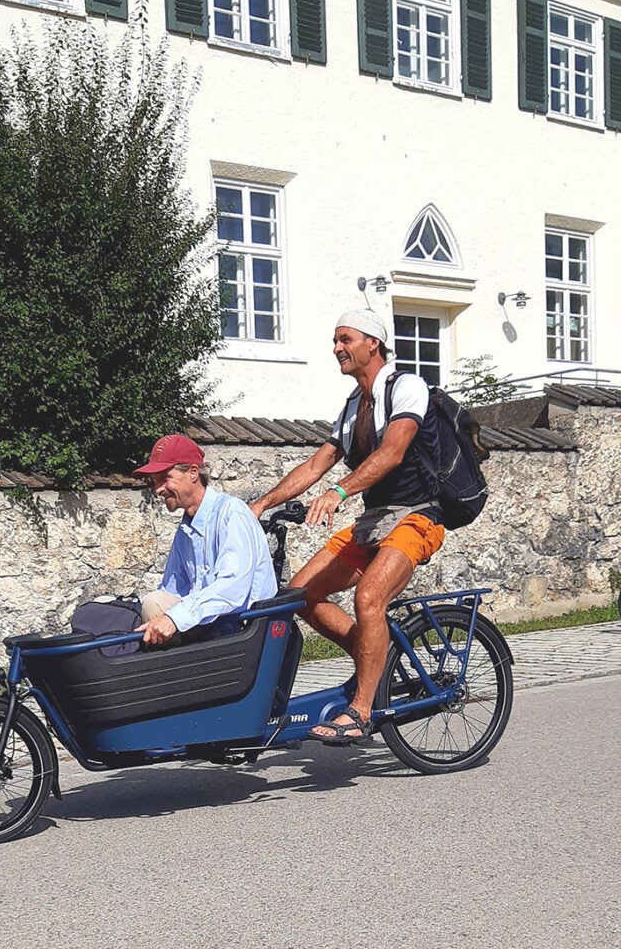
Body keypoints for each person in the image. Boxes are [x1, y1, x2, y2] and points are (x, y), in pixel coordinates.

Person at [249, 309, 445, 745]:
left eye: (345, 339)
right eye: (335, 341)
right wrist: (262, 503)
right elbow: (317, 463)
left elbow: (393, 451)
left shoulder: (406, 387)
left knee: (368, 596)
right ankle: (375, 657)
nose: (336, 348)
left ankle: (360, 710)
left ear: (372, 343)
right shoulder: (354, 405)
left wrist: (338, 494)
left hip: (417, 515)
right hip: (376, 520)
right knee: (303, 594)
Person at [132, 433, 277, 647]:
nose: (158, 489)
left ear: (192, 473)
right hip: (211, 627)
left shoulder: (231, 513)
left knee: (155, 606)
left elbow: (232, 588)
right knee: (144, 605)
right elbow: (171, 590)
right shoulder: (185, 529)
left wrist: (174, 618)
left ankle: (168, 677)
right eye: (155, 481)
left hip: (242, 632)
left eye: (165, 477)